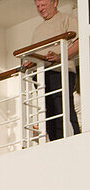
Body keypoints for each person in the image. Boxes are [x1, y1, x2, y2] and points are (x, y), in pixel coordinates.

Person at [25, 0, 81, 141]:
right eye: (38, 6)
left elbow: (79, 43)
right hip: (41, 74)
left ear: (54, 2)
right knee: (48, 111)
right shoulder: (37, 30)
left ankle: (75, 139)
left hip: (60, 71)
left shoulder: (67, 19)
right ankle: (55, 142)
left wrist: (59, 57)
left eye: (43, 5)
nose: (40, 9)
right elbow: (35, 52)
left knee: (63, 107)